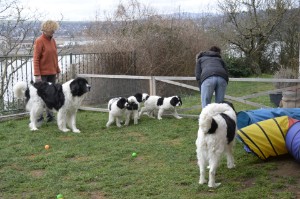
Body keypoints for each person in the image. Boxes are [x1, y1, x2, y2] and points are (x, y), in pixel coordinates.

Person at [33, 20, 61, 122]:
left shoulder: (53, 41)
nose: (53, 31)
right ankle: (39, 117)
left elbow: (55, 57)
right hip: (42, 75)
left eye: (54, 29)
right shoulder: (39, 41)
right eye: (51, 30)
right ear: (45, 29)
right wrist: (37, 74)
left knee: (52, 95)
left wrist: (57, 70)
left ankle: (50, 116)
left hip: (52, 73)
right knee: (40, 97)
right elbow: (36, 59)